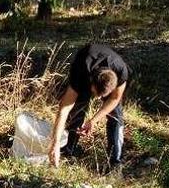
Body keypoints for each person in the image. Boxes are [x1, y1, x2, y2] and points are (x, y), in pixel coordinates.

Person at [48, 43, 129, 171]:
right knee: (78, 107)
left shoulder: (121, 71)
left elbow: (114, 99)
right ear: (91, 83)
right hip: (85, 64)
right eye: (95, 94)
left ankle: (115, 163)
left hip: (111, 69)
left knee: (116, 115)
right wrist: (55, 144)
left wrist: (93, 121)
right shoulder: (81, 71)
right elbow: (64, 109)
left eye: (101, 96)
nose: (97, 98)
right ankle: (69, 149)